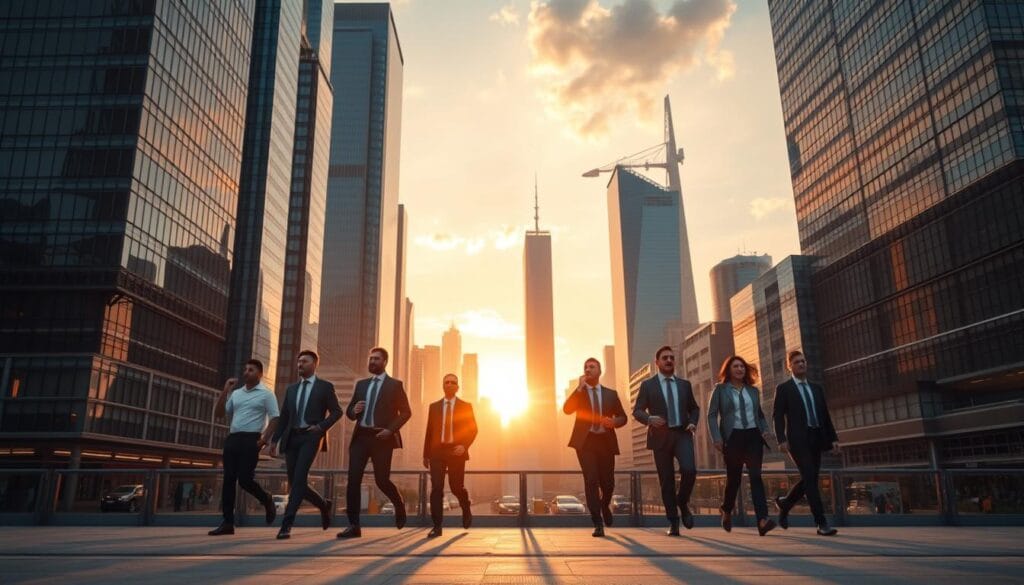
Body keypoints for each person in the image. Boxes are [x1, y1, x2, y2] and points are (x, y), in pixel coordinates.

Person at [338, 347, 412, 538]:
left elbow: (406, 412)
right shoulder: (361, 385)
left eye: (376, 359)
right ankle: (354, 526)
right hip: (361, 437)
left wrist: (390, 430)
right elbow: (349, 413)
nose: (372, 362)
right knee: (353, 481)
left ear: (385, 362)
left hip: (382, 438)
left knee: (381, 480)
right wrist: (354, 410)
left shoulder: (395, 385)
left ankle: (398, 503)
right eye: (370, 358)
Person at [272, 350, 342, 540]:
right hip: (292, 438)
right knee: (296, 482)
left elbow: (337, 412)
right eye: (299, 361)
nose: (300, 364)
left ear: (314, 364)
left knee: (299, 479)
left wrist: (320, 427)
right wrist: (274, 441)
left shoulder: (325, 387)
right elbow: (284, 417)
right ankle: (323, 505)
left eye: (304, 361)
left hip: (311, 438)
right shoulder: (291, 389)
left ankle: (286, 525)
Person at [633, 345, 699, 535]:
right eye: (665, 358)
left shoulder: (684, 385)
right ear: (657, 362)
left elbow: (694, 408)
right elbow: (637, 410)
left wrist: (692, 422)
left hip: (682, 434)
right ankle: (673, 521)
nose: (669, 360)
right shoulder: (648, 385)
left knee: (689, 469)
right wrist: (649, 419)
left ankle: (682, 502)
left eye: (671, 357)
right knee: (666, 481)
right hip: (660, 436)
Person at [707, 355, 776, 536]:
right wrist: (716, 438)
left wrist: (765, 429)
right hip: (733, 437)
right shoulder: (720, 389)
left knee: (756, 477)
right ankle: (726, 509)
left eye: (742, 367)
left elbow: (759, 414)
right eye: (736, 366)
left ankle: (762, 520)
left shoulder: (753, 391)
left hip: (753, 436)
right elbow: (711, 415)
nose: (740, 369)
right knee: (734, 479)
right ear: (729, 370)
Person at [208, 359, 279, 536]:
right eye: (245, 369)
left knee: (245, 479)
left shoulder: (266, 394)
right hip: (233, 438)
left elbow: (275, 418)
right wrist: (225, 390)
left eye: (251, 370)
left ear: (260, 374)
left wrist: (264, 440)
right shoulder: (236, 393)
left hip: (251, 439)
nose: (246, 372)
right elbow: (218, 414)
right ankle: (227, 522)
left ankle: (266, 498)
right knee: (228, 480)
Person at [773, 349, 839, 536]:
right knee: (810, 479)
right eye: (797, 362)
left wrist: (834, 438)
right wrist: (781, 439)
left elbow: (825, 415)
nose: (801, 364)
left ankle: (785, 504)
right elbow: (777, 416)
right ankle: (821, 523)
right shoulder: (784, 389)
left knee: (810, 479)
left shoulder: (816, 389)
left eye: (803, 361)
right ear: (789, 367)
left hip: (817, 438)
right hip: (797, 441)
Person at [563, 358, 627, 537]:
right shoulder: (580, 393)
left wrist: (614, 422)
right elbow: (567, 409)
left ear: (599, 371)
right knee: (591, 480)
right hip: (586, 442)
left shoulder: (611, 394)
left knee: (608, 483)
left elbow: (623, 417)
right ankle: (597, 522)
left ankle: (604, 505)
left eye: (592, 367)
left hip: (605, 441)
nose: (588, 369)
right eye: (585, 367)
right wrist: (578, 388)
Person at [422, 373, 478, 538]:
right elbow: (429, 432)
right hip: (437, 452)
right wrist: (426, 454)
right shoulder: (434, 407)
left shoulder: (465, 406)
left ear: (457, 387)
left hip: (456, 452)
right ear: (443, 386)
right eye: (446, 382)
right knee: (436, 488)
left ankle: (465, 507)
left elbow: (473, 429)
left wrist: (464, 446)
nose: (449, 384)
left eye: (453, 382)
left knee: (456, 487)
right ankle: (437, 526)